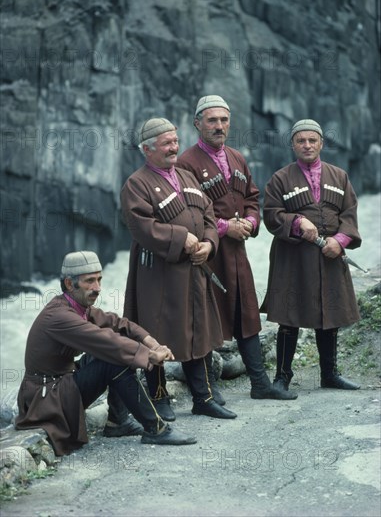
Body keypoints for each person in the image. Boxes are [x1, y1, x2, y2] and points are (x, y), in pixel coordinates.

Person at [15, 251, 197, 456]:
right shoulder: (59, 316)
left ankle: (117, 422)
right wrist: (149, 356)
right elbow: (106, 341)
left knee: (115, 352)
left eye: (99, 280)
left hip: (60, 383)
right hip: (47, 398)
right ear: (69, 284)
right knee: (113, 359)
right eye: (90, 281)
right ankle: (156, 429)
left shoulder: (77, 307)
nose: (98, 288)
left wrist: (150, 342)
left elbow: (118, 323)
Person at [177, 95, 296, 400]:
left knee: (247, 315)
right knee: (203, 318)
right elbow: (185, 213)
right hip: (207, 253)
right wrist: (223, 227)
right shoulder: (185, 163)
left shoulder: (237, 157)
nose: (219, 126)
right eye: (212, 120)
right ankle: (208, 390)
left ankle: (260, 384)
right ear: (197, 123)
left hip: (237, 253)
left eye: (224, 120)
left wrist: (251, 223)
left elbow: (252, 198)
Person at [121, 118, 237, 420]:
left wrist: (209, 244)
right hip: (158, 274)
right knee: (157, 332)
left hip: (193, 269)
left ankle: (203, 397)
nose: (174, 148)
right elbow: (140, 226)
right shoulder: (137, 183)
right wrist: (179, 238)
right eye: (166, 144)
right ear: (147, 150)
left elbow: (210, 215)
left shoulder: (187, 176)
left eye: (175, 141)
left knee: (197, 329)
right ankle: (160, 400)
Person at [261, 119, 362, 392]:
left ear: (321, 143)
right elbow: (270, 215)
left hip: (330, 255)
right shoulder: (280, 178)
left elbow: (349, 214)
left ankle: (330, 374)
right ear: (293, 144)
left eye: (312, 140)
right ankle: (282, 379)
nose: (307, 145)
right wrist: (296, 222)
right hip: (292, 257)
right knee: (288, 314)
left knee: (329, 312)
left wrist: (340, 242)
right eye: (300, 141)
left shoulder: (339, 176)